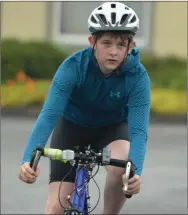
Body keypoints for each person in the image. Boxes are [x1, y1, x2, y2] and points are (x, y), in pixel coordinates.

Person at [18, 1, 151, 214]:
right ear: (92, 42)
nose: (113, 52)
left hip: (112, 129)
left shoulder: (138, 77)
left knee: (122, 165)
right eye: (106, 43)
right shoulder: (73, 67)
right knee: (54, 209)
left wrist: (134, 173)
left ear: (131, 47)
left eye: (120, 45)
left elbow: (138, 131)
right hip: (72, 128)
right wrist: (28, 161)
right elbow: (49, 116)